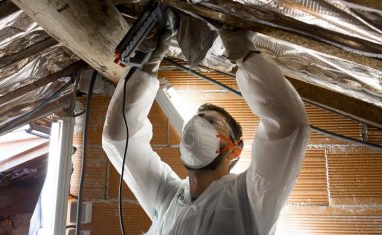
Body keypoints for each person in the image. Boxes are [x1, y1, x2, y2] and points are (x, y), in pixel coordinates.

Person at [102, 20, 310, 234]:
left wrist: (245, 55)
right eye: (196, 119)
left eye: (211, 122)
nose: (197, 125)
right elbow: (118, 139)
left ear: (235, 150)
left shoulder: (247, 200)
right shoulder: (169, 198)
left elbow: (289, 126)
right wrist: (149, 63)